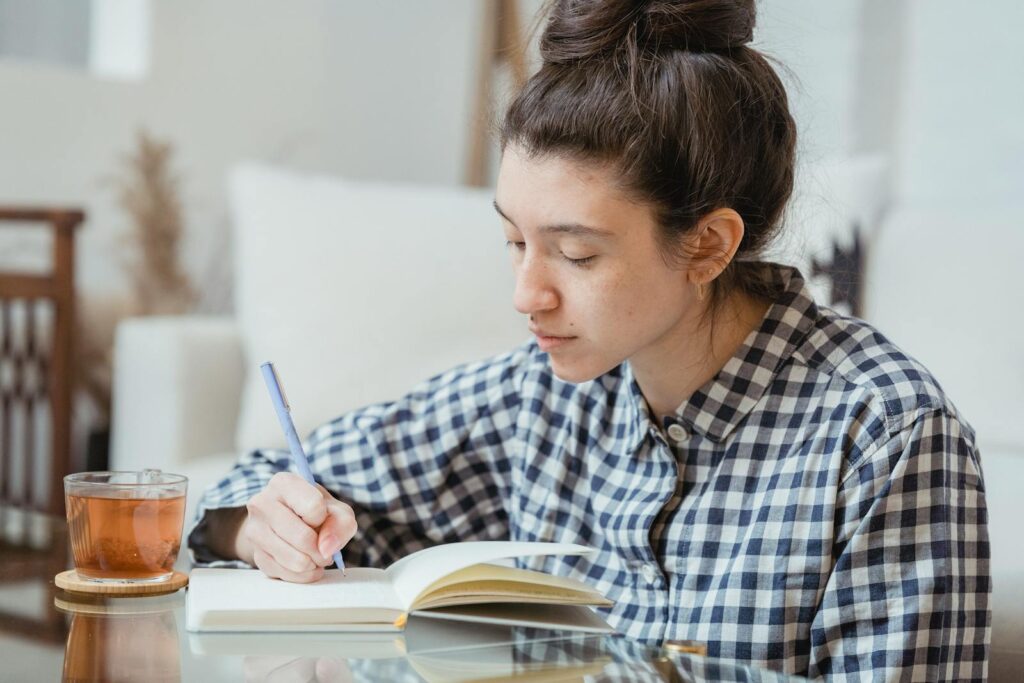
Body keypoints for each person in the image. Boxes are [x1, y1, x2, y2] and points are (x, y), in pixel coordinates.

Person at [188, 0, 991, 679]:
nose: (526, 294)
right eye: (514, 241)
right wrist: (260, 523)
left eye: (576, 253)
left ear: (709, 245)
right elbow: (270, 481)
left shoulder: (884, 432)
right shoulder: (537, 394)